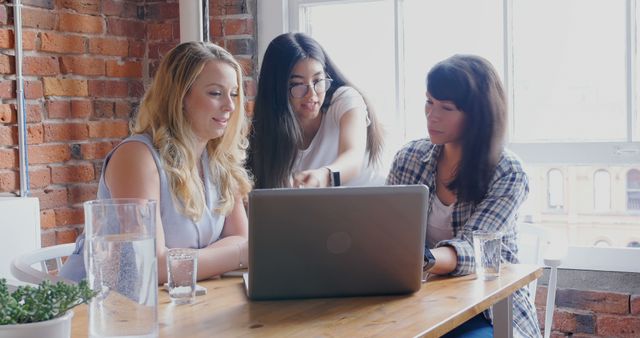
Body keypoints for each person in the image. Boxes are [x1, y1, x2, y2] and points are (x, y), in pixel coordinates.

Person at [60, 41, 252, 284]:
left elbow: (242, 238)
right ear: (180, 96)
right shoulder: (137, 156)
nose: (230, 105)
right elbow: (153, 266)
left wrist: (193, 263)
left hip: (170, 304)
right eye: (216, 93)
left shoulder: (219, 159)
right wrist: (234, 255)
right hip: (94, 307)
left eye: (234, 93)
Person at [387, 55, 541, 337]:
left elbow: (475, 250)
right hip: (418, 301)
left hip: (489, 307)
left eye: (446, 108)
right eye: (429, 102)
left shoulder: (507, 172)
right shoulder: (409, 158)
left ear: (477, 115)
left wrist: (417, 260)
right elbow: (385, 229)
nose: (432, 116)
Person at [248, 32, 384, 188]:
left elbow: (353, 157)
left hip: (376, 205)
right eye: (298, 84)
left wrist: (324, 175)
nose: (312, 95)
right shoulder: (269, 136)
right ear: (277, 89)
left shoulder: (344, 100)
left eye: (318, 81)